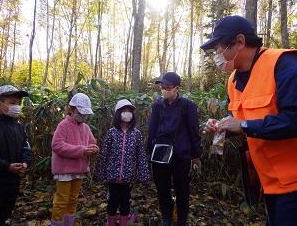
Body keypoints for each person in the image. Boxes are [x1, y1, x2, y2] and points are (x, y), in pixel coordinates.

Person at [200, 15, 297, 226]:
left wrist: (244, 125)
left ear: (240, 42)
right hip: (268, 184)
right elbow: (241, 120)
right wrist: (223, 127)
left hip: (294, 184)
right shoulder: (233, 81)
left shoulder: (283, 64)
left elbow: (294, 118)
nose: (216, 56)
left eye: (217, 49)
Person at [147, 72, 201, 226]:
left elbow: (194, 130)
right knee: (162, 188)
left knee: (181, 188)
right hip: (161, 152)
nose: (163, 89)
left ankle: (182, 218)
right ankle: (167, 216)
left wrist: (195, 153)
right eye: (162, 86)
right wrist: (150, 150)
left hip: (181, 154)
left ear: (176, 88)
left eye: (167, 87)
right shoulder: (157, 105)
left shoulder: (187, 105)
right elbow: (152, 129)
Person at [97, 99, 150, 226]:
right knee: (112, 202)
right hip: (113, 176)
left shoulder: (136, 134)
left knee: (125, 202)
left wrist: (144, 175)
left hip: (128, 176)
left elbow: (140, 155)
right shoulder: (112, 133)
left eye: (129, 111)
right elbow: (105, 153)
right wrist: (101, 173)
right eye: (124, 111)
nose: (127, 114)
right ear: (118, 114)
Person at [51, 93, 99, 226]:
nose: (83, 115)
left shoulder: (86, 128)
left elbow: (92, 143)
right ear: (71, 109)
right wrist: (81, 150)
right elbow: (57, 145)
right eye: (80, 112)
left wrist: (94, 149)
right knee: (62, 200)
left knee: (73, 199)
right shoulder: (63, 125)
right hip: (64, 170)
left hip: (79, 169)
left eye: (85, 113)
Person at [0, 85, 31, 226]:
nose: (17, 107)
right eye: (12, 103)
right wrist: (7, 166)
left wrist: (25, 162)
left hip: (13, 181)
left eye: (19, 104)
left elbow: (26, 148)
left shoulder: (19, 127)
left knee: (5, 212)